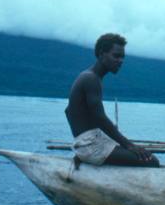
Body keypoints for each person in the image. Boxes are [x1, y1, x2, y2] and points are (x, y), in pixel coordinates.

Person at [65, 33, 159, 167]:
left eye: (122, 57)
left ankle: (84, 155)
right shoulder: (91, 78)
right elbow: (99, 117)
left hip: (89, 143)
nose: (120, 61)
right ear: (102, 54)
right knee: (152, 161)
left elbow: (69, 111)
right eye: (116, 56)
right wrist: (129, 145)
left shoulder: (91, 76)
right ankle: (85, 155)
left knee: (136, 152)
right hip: (90, 146)